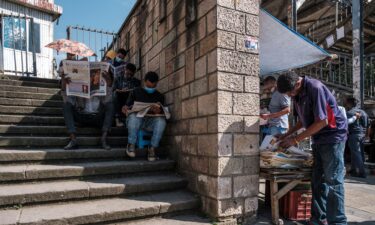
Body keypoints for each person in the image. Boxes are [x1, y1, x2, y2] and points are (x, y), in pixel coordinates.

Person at [276, 72, 348, 225]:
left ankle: (338, 221)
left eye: (290, 92)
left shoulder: (315, 88)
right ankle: (318, 219)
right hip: (318, 138)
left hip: (332, 137)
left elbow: (322, 121)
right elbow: (302, 121)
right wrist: (286, 135)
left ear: (297, 83)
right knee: (317, 180)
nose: (290, 96)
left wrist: (295, 139)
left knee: (333, 180)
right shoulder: (296, 94)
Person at [60, 59, 114, 151]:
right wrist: (64, 84)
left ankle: (103, 139)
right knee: (66, 106)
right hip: (81, 116)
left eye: (92, 75)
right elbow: (68, 100)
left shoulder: (101, 86)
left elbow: (107, 101)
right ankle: (73, 140)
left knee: (110, 105)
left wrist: (108, 85)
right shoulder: (78, 85)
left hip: (97, 117)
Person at [122, 72, 167, 161]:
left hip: (149, 122)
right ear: (145, 82)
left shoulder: (159, 96)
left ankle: (152, 147)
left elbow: (161, 112)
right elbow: (127, 106)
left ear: (156, 83)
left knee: (161, 121)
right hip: (135, 121)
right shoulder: (136, 91)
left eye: (153, 87)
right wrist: (125, 108)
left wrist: (158, 111)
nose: (151, 88)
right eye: (149, 86)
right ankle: (131, 144)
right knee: (134, 117)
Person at [344, 97, 370, 178]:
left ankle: (362, 172)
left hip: (353, 135)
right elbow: (367, 125)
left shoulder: (349, 113)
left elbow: (346, 124)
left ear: (349, 103)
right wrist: (366, 135)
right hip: (361, 134)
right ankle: (354, 171)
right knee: (359, 153)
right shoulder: (363, 112)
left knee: (356, 153)